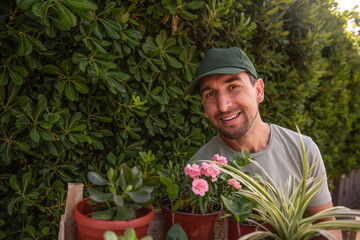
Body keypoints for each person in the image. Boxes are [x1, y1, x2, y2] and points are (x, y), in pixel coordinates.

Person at [187, 47, 341, 240]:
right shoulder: (199, 167)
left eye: (233, 87)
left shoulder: (302, 149)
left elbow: (328, 228)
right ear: (204, 106)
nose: (223, 105)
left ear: (258, 91)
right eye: (210, 94)